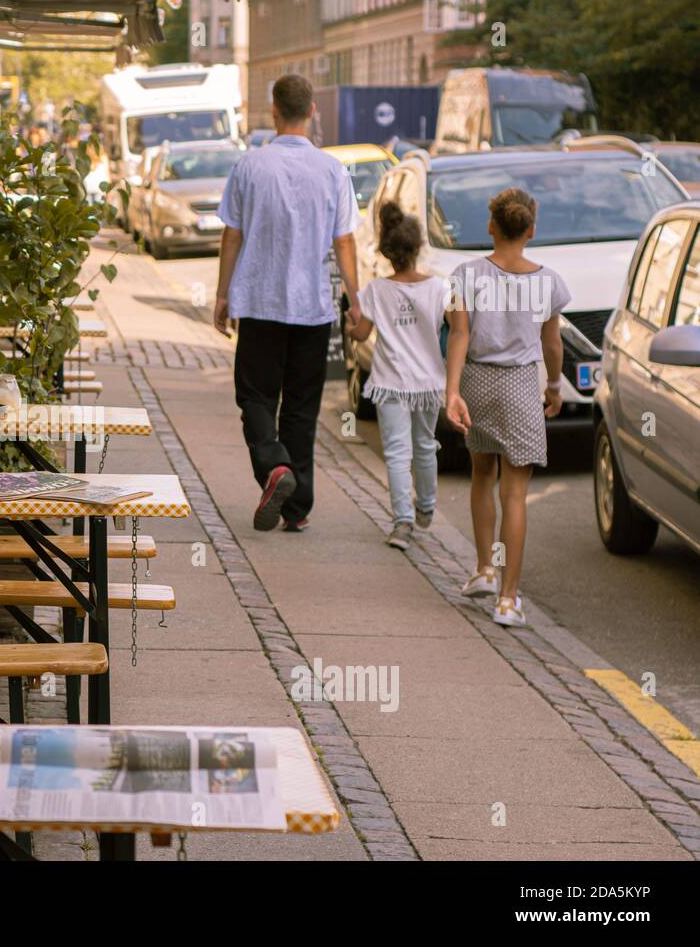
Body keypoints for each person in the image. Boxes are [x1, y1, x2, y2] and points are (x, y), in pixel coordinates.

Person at [214, 74, 362, 532]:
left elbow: (231, 234)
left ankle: (275, 467)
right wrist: (356, 303)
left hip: (259, 302)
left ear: (273, 111)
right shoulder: (333, 170)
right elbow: (345, 243)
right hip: (313, 307)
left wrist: (222, 294)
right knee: (302, 405)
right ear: (313, 112)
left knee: (256, 395)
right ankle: (297, 509)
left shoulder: (249, 166)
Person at [444, 187, 568, 627]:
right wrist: (554, 386)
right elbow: (552, 344)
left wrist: (452, 390)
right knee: (515, 492)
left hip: (477, 379)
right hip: (519, 385)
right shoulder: (548, 282)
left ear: (491, 226)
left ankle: (484, 570)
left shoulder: (465, 275)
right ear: (532, 230)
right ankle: (509, 601)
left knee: (482, 473)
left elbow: (458, 334)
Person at [345, 202, 449, 551]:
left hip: (391, 383)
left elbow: (361, 335)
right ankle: (427, 506)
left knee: (396, 452)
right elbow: (454, 327)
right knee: (425, 446)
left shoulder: (376, 291)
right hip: (429, 383)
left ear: (387, 252)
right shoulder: (438, 289)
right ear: (418, 248)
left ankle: (402, 522)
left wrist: (349, 323)